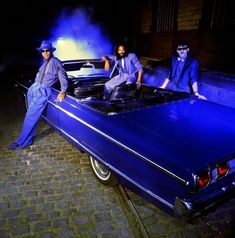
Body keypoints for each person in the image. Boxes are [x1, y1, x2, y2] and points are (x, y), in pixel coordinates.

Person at [8, 40, 68, 150]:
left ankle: (21, 142)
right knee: (31, 115)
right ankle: (28, 139)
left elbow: (63, 77)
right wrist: (33, 87)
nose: (45, 53)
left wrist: (63, 91)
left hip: (43, 91)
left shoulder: (56, 62)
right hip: (34, 88)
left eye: (47, 51)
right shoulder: (44, 63)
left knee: (30, 116)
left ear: (51, 51)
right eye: (43, 51)